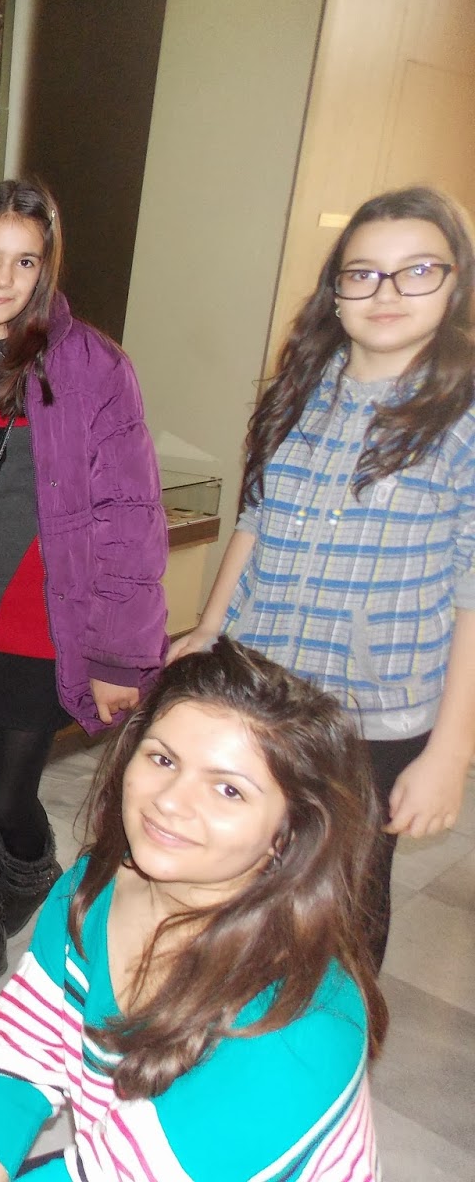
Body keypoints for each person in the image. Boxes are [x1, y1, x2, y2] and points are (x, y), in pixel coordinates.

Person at [170, 185, 475, 968]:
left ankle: (329, 1038)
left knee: (341, 904)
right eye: (363, 273)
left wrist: (450, 753)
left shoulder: (463, 415)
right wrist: (210, 627)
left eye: (417, 271)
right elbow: (256, 519)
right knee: (242, 869)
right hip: (265, 687)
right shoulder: (300, 392)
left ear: (455, 282)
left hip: (374, 714)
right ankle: (228, 1014)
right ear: (336, 291)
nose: (386, 292)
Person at [0, 637, 385, 1181]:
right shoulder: (90, 888)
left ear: (289, 834)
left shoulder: (305, 1027)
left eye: (229, 790)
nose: (170, 800)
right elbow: (24, 1049)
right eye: (162, 758)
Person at [0, 179, 168, 1020]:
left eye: (25, 262)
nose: (3, 279)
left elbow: (129, 513)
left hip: (48, 619)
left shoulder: (92, 367)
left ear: (46, 270)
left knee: (9, 794)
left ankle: (35, 871)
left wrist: (122, 651)